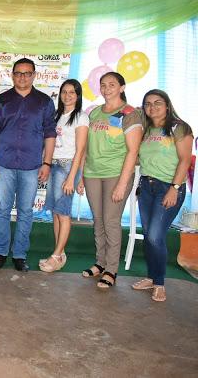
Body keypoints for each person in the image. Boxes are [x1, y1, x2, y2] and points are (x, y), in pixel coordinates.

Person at [0, 58, 56, 272]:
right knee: (2, 210)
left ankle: (19, 254)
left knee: (25, 211)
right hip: (5, 164)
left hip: (32, 165)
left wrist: (47, 163)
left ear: (34, 75)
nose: (23, 77)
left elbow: (50, 134)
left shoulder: (44, 102)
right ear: (13, 75)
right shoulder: (2, 100)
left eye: (27, 73)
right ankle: (0, 252)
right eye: (18, 73)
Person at [82, 72, 142, 288]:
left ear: (122, 87)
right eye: (103, 85)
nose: (106, 88)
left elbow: (133, 151)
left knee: (111, 220)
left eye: (112, 84)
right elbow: (87, 147)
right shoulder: (96, 112)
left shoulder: (130, 114)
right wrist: (82, 174)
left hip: (116, 173)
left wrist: (122, 184)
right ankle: (100, 262)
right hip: (92, 173)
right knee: (98, 220)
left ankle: (111, 269)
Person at [131, 90, 192, 302]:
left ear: (167, 105)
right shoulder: (146, 130)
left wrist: (174, 188)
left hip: (168, 188)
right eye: (147, 104)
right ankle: (151, 277)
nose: (152, 107)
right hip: (146, 187)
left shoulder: (178, 127)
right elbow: (140, 158)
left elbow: (185, 160)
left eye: (158, 103)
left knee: (156, 236)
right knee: (149, 235)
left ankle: (159, 283)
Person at [40, 80, 89, 272]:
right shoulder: (57, 115)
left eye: (72, 92)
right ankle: (58, 252)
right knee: (55, 212)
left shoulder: (81, 118)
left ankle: (57, 255)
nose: (67, 96)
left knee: (63, 212)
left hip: (68, 166)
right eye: (64, 92)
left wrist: (73, 177)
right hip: (54, 165)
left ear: (78, 96)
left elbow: (81, 150)